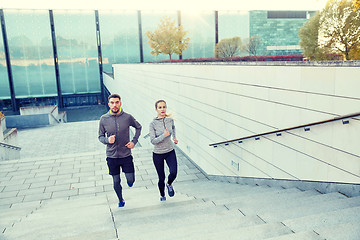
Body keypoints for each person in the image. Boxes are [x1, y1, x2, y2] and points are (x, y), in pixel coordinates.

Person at [98, 94, 142, 207]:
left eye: (117, 102)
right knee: (116, 181)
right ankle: (120, 199)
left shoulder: (127, 117)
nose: (114, 105)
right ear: (109, 104)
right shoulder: (103, 119)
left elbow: (138, 127)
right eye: (112, 103)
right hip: (112, 156)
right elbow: (100, 137)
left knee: (131, 180)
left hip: (126, 154)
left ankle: (129, 181)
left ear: (120, 103)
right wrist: (108, 140)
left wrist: (134, 141)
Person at [149, 100, 178, 201]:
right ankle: (162, 195)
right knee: (161, 177)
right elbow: (153, 141)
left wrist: (174, 137)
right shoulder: (152, 124)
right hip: (158, 154)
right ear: (156, 109)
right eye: (160, 107)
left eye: (164, 107)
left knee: (173, 172)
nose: (162, 109)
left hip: (170, 151)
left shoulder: (170, 120)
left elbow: (173, 128)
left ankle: (169, 184)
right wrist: (163, 136)